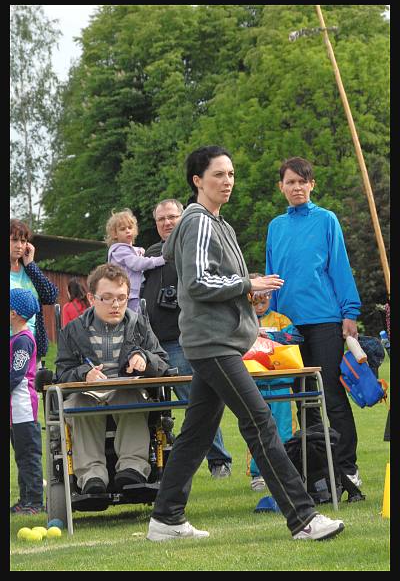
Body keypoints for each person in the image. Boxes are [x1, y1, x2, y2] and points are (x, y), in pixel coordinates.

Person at [146, 145, 344, 542]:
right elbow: (198, 282)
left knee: (197, 433)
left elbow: (209, 279)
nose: (228, 182)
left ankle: (166, 519)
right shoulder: (199, 222)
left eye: (231, 174)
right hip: (212, 343)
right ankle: (303, 518)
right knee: (260, 422)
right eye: (219, 175)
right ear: (198, 181)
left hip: (218, 341)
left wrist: (247, 290)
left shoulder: (217, 223)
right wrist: (247, 284)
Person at [266, 156, 362, 487]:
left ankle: (347, 467)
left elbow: (339, 267)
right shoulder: (275, 227)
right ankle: (316, 470)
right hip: (288, 328)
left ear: (311, 185)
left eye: (302, 181)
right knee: (303, 398)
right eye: (290, 182)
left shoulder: (326, 220)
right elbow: (272, 277)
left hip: (324, 321)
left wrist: (350, 312)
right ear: (281, 187)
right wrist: (271, 323)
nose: (296, 187)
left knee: (331, 394)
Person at [55, 263, 170, 494]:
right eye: (107, 298)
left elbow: (163, 362)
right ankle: (92, 475)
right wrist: (84, 374)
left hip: (127, 390)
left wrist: (144, 358)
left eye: (121, 298)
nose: (115, 305)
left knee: (129, 396)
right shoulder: (73, 330)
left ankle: (133, 468)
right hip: (88, 393)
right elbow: (62, 372)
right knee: (79, 403)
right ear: (91, 298)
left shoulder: (139, 325)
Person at [141, 198, 233, 479]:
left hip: (181, 339)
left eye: (172, 217)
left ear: (182, 218)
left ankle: (219, 461)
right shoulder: (149, 255)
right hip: (149, 343)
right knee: (150, 407)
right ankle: (154, 466)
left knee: (196, 400)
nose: (167, 223)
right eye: (161, 219)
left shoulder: (194, 248)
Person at [246, 274, 297, 492]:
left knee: (284, 431)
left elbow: (295, 339)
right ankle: (258, 474)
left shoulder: (281, 320)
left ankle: (285, 473)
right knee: (257, 431)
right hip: (254, 387)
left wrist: (272, 338)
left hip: (280, 386)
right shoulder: (242, 321)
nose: (259, 306)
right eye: (254, 302)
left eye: (263, 301)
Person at [10, 288, 44, 515]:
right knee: (21, 457)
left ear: (13, 313)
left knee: (29, 457)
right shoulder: (15, 338)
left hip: (23, 409)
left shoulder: (23, 340)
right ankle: (25, 499)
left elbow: (16, 374)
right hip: (14, 411)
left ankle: (35, 501)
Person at [10, 219, 59, 364]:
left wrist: (30, 264)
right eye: (14, 240)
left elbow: (51, 296)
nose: (19, 245)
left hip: (31, 345)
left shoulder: (29, 270)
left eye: (23, 241)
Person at [106, 209, 165, 312]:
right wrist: (160, 260)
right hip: (128, 295)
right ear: (115, 234)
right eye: (122, 229)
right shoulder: (119, 250)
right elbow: (136, 264)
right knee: (134, 318)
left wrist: (139, 251)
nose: (127, 231)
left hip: (133, 292)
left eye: (130, 227)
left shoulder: (127, 250)